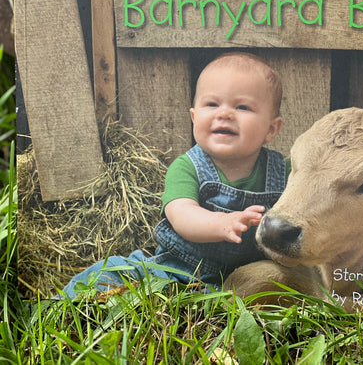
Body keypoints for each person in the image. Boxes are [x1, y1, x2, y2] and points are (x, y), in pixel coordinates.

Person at [59, 52, 288, 298]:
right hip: (178, 270)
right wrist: (223, 223)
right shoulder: (187, 167)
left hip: (247, 279)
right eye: (212, 104)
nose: (225, 114)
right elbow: (182, 216)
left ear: (271, 128)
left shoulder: (284, 172)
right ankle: (58, 305)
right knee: (115, 270)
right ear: (193, 117)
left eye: (242, 107)